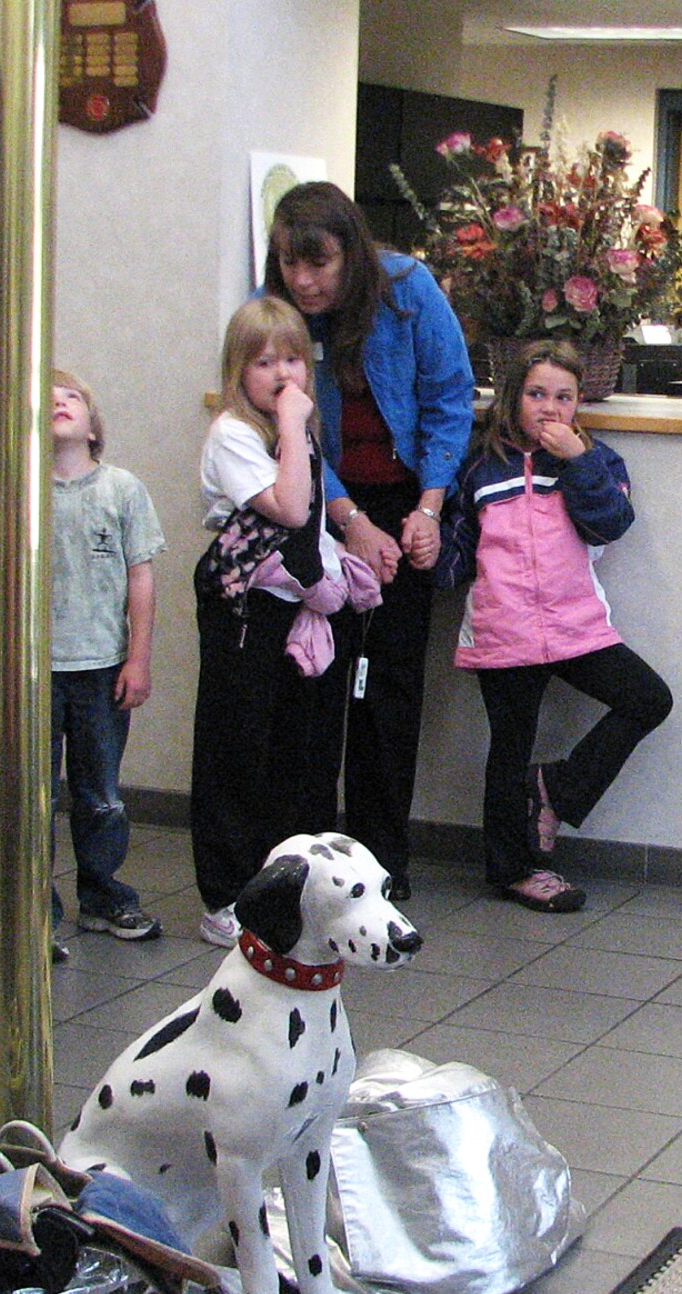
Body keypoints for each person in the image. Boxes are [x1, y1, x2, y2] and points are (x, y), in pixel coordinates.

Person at [264, 181, 475, 900]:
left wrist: (427, 510)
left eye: (319, 263)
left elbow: (449, 400)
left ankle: (382, 860)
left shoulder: (408, 288)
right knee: (314, 684)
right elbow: (284, 430)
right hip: (313, 504)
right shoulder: (279, 313)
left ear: (351, 254)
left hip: (406, 498)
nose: (304, 281)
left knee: (388, 688)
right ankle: (306, 859)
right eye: (291, 263)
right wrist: (349, 521)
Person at [436, 341, 671, 913]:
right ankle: (513, 871)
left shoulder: (598, 461)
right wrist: (426, 552)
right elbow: (457, 553)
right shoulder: (479, 466)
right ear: (513, 397)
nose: (549, 408)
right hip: (503, 629)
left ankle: (556, 789)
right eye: (536, 394)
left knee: (648, 699)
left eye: (563, 397)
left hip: (574, 626)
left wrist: (578, 461)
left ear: (579, 403)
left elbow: (610, 524)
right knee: (509, 748)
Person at [191, 297, 353, 946]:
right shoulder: (234, 433)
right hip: (242, 608)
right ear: (238, 371)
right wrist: (291, 421)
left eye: (293, 359)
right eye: (264, 363)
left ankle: (281, 883)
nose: (283, 374)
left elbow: (313, 520)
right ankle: (224, 893)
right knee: (235, 746)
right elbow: (289, 507)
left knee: (291, 746)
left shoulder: (297, 434)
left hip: (292, 605)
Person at [49, 369, 167, 941]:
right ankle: (33, 910)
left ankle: (101, 895)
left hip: (102, 666)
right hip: (34, 670)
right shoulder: (16, 491)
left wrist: (137, 658)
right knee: (33, 796)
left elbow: (140, 577)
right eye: (44, 398)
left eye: (70, 396)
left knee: (100, 794)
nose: (58, 403)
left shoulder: (122, 489)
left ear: (93, 426)